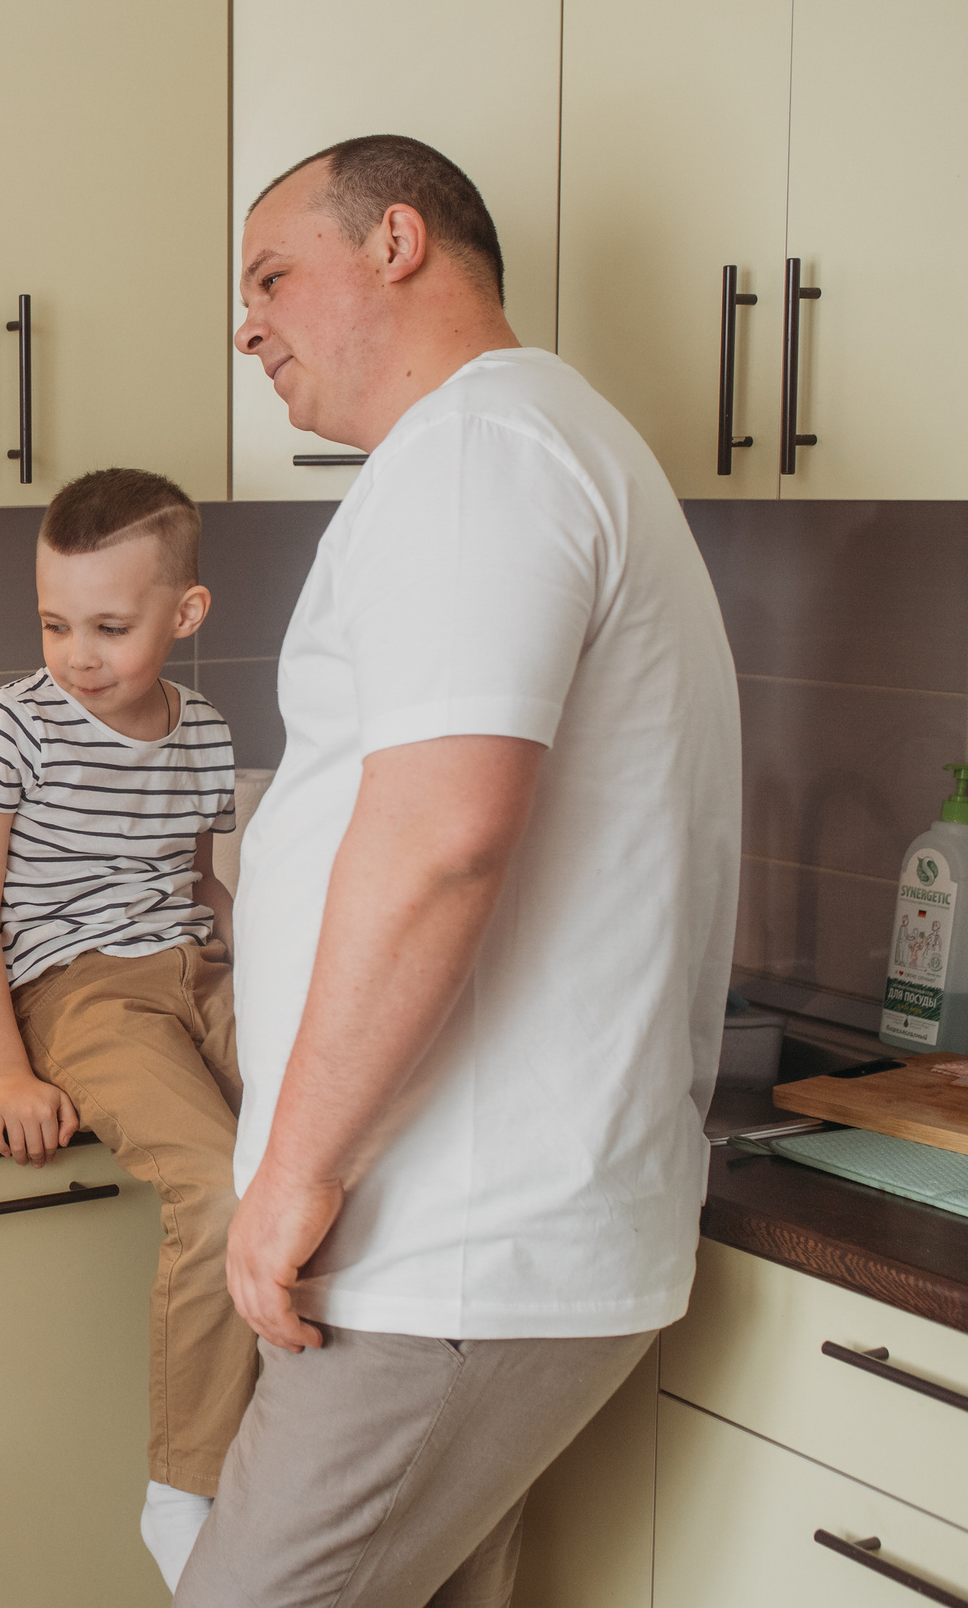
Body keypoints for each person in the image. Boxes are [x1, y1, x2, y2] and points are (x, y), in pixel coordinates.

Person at [176, 135, 739, 1607]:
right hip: (460, 1237)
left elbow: (442, 839)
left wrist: (294, 1170)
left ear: (398, 243)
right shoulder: (517, 447)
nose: (247, 324)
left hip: (455, 1246)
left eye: (271, 275)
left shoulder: (483, 452)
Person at [0, 468, 259, 1593]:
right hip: (82, 991)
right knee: (218, 1191)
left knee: (324, 1149)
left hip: (197, 972)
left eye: (110, 627)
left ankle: (294, 1464)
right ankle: (187, 1482)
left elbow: (204, 890)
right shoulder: (8, 728)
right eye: (55, 622)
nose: (77, 653)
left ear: (186, 613)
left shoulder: (206, 733)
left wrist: (264, 979)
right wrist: (6, 1074)